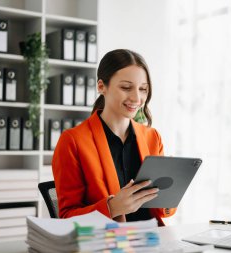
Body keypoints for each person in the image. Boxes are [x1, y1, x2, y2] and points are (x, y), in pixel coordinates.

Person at [52, 49, 176, 225]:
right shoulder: (73, 141)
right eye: (126, 87)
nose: (137, 98)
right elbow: (66, 218)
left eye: (143, 89)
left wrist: (170, 192)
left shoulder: (152, 137)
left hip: (152, 240)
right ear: (101, 86)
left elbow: (163, 212)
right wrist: (112, 207)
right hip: (106, 243)